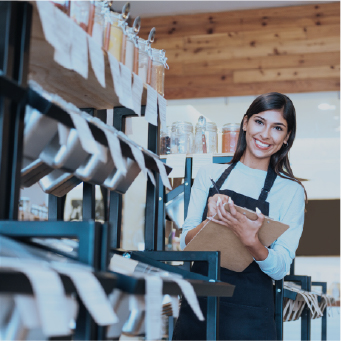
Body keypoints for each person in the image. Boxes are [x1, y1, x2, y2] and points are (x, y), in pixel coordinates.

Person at [172, 92, 306, 341]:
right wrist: (211, 220)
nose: (265, 135)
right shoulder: (209, 174)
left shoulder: (290, 192)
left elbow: (280, 269)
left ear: (286, 138)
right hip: (198, 310)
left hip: (250, 318)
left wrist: (252, 242)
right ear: (245, 123)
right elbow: (185, 245)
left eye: (277, 128)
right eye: (259, 122)